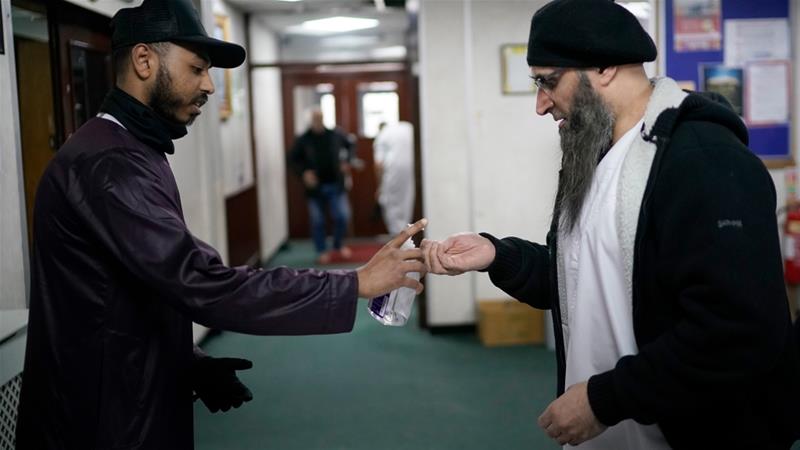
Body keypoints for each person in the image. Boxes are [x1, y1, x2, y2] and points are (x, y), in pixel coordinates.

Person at [15, 1, 428, 449]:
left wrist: (184, 361)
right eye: (196, 68)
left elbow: (130, 290)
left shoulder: (131, 149)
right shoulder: (110, 163)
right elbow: (200, 282)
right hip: (99, 421)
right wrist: (353, 285)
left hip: (124, 393)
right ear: (144, 60)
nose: (209, 86)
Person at [422, 0, 800, 448]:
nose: (541, 105)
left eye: (548, 82)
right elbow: (590, 281)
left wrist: (604, 400)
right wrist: (498, 255)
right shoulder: (595, 153)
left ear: (603, 67)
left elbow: (738, 330)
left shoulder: (703, 160)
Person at [289, 108, 355, 264]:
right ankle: (321, 250)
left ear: (323, 118)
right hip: (315, 189)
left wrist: (347, 161)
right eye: (314, 119)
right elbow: (292, 160)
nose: (317, 121)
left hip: (336, 185)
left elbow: (350, 145)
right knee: (317, 221)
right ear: (310, 121)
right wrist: (304, 173)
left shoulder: (335, 135)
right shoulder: (303, 139)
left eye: (320, 118)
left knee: (342, 216)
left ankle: (338, 245)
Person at [373, 121, 415, 235]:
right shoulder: (406, 127)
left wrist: (379, 187)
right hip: (413, 169)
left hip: (393, 173)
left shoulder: (382, 135)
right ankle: (405, 240)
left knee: (391, 207)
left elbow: (378, 164)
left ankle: (398, 243)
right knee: (406, 204)